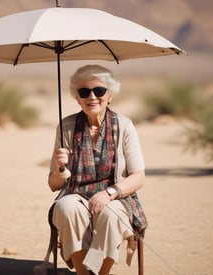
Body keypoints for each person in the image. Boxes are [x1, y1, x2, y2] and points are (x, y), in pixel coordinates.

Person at [48, 64, 146, 275]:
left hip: (116, 196)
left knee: (110, 213)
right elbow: (54, 184)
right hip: (76, 194)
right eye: (84, 91)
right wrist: (58, 168)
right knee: (66, 208)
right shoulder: (66, 127)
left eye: (99, 91)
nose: (92, 96)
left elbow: (138, 176)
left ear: (109, 95)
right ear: (77, 98)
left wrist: (109, 193)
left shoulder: (125, 125)